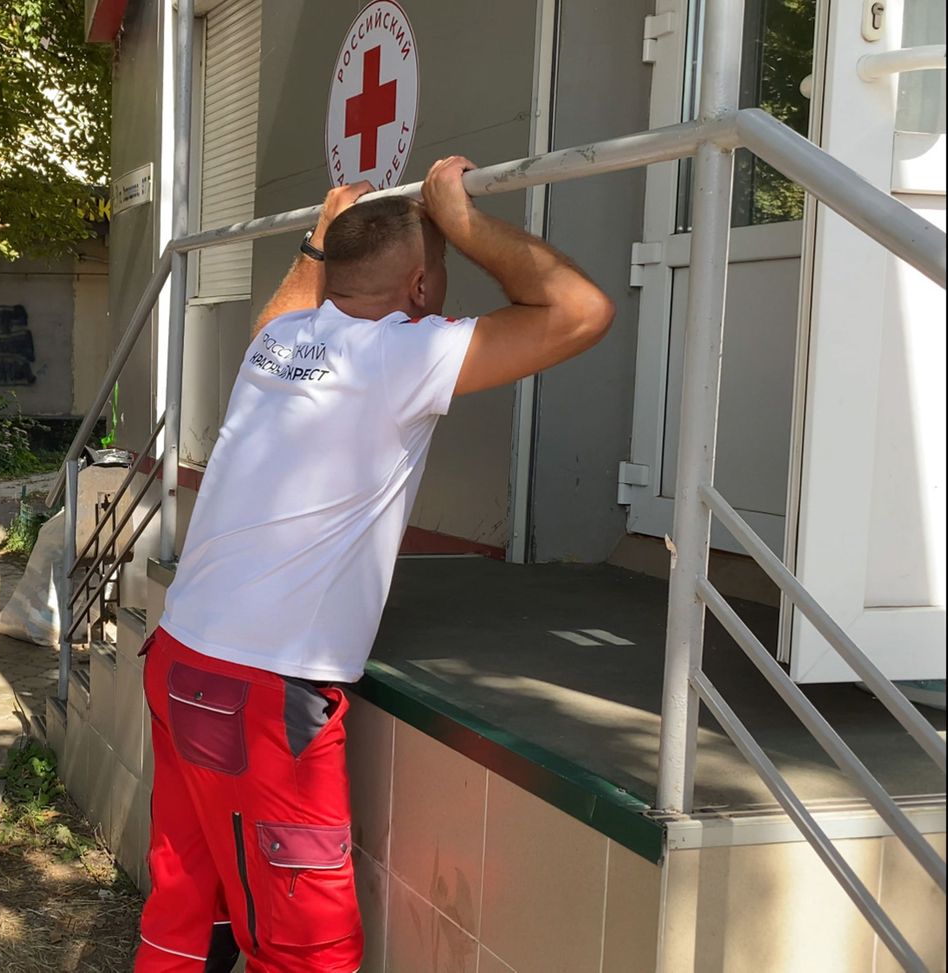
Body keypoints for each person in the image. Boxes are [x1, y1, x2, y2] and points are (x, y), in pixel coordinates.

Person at [135, 158, 616, 973]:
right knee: (309, 951)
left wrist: (317, 242)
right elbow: (581, 310)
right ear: (422, 286)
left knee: (185, 907)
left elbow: (293, 302)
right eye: (444, 272)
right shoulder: (399, 354)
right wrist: (464, 223)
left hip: (180, 656)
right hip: (261, 695)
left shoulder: (282, 342)